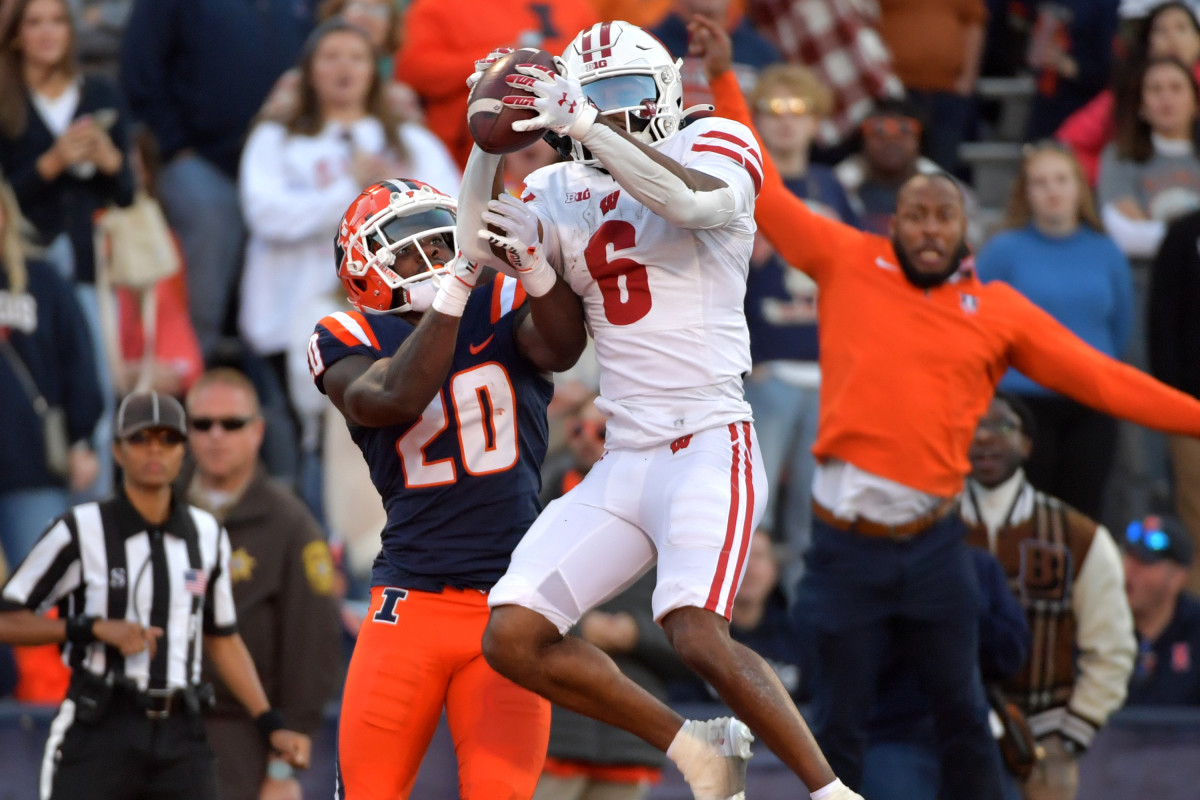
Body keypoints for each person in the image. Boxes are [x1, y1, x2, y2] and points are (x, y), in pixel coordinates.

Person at [695, 12, 1200, 798]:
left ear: (968, 234)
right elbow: (760, 182)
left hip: (934, 541)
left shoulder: (997, 308)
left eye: (945, 218)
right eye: (917, 217)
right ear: (892, 223)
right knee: (838, 722)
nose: (929, 230)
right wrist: (726, 77)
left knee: (964, 713)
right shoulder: (846, 258)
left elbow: (1104, 382)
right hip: (846, 545)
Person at [465, 21, 859, 800]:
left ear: (669, 91)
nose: (608, 113)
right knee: (512, 633)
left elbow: (686, 200)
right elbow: (471, 243)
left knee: (695, 631)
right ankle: (694, 745)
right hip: (626, 452)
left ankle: (830, 791)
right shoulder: (556, 185)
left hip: (710, 439)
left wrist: (580, 123)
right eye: (591, 98)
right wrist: (486, 134)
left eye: (623, 96)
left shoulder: (718, 141)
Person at [308, 174, 587, 798]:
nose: (434, 261)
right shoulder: (346, 335)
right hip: (412, 598)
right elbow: (394, 396)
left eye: (442, 246)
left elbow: (564, 347)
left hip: (509, 603)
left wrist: (538, 268)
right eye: (412, 252)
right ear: (364, 269)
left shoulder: (501, 301)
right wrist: (457, 284)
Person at [0, 391, 310, 800]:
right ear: (117, 450)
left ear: (185, 450)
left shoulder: (206, 533)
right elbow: (7, 619)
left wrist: (269, 722)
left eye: (168, 440)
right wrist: (88, 627)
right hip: (100, 722)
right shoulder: (80, 529)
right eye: (142, 439)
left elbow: (222, 636)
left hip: (182, 729)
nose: (155, 450)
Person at [962, 392, 1136, 800]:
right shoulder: (931, 528)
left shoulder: (1078, 536)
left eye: (1002, 426)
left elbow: (1112, 649)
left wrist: (1072, 735)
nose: (985, 437)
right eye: (972, 425)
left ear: (1027, 444)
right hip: (947, 735)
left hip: (1043, 740)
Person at [120, 0, 317, 358]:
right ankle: (190, 374)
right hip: (202, 161)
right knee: (208, 234)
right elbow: (140, 67)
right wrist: (173, 144)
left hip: (284, 165)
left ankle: (282, 381)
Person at [184, 368, 342, 800]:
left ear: (257, 431)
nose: (216, 435)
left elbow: (311, 649)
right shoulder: (159, 510)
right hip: (153, 729)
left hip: (243, 737)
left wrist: (282, 768)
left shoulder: (291, 525)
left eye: (231, 424)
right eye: (202, 423)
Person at [0, 0, 135, 499]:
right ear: (15, 35)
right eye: (34, 22)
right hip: (19, 270)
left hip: (86, 266)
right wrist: (51, 163)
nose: (47, 32)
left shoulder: (99, 91)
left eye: (57, 20)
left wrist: (109, 159)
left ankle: (91, 510)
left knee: (92, 389)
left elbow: (127, 193)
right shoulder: (5, 98)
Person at [976, 142, 1133, 521]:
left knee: (1083, 515)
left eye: (1061, 180)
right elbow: (977, 325)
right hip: (1022, 405)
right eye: (1040, 182)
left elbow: (1121, 327)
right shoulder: (1002, 251)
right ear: (1026, 193)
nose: (1052, 191)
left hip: (1092, 403)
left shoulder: (1107, 251)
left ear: (1079, 186)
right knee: (1026, 515)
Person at [859, 546, 1030, 800]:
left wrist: (962, 607)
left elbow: (1011, 656)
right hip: (893, 737)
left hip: (973, 735)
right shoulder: (859, 571)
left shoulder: (979, 566)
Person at [0, 175, 102, 567]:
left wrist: (82, 440)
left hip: (32, 464)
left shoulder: (42, 280)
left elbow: (78, 361)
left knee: (42, 599)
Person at [392, 0, 597, 167]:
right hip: (469, 163)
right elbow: (412, 70)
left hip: (570, 157)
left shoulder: (573, 5)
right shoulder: (437, 6)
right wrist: (497, 62)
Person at [1057, 1, 1200, 185]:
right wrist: (1113, 176)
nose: (1172, 37)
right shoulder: (1128, 90)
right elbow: (1068, 143)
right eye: (1161, 30)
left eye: (1181, 28)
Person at [1148, 208, 1200, 593]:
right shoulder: (1183, 233)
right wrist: (1169, 399)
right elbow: (1161, 320)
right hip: (1190, 404)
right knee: (1194, 506)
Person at [1122, 513, 1200, 705]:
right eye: (1128, 557)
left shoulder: (1195, 632)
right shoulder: (1100, 627)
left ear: (1177, 578)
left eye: (1144, 562)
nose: (1129, 570)